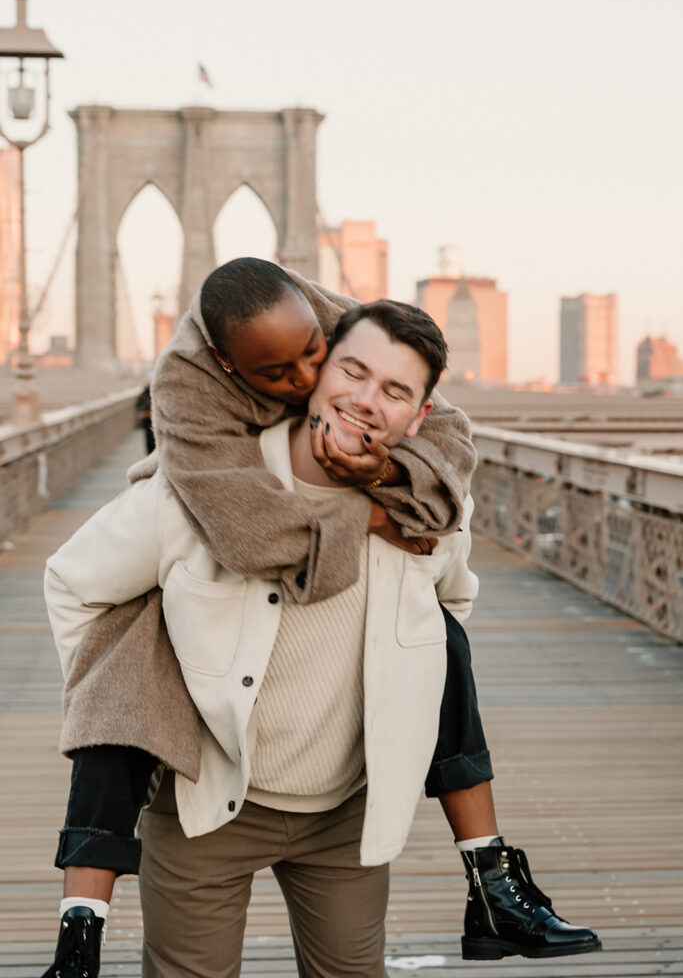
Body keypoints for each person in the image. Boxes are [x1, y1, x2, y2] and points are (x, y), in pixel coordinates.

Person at [42, 264, 599, 976]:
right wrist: (134, 700)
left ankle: (492, 885)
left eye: (394, 391)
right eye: (350, 373)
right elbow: (69, 582)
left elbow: (448, 611)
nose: (358, 399)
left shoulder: (424, 512)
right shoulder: (194, 497)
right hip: (206, 807)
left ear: (420, 415)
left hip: (347, 812)